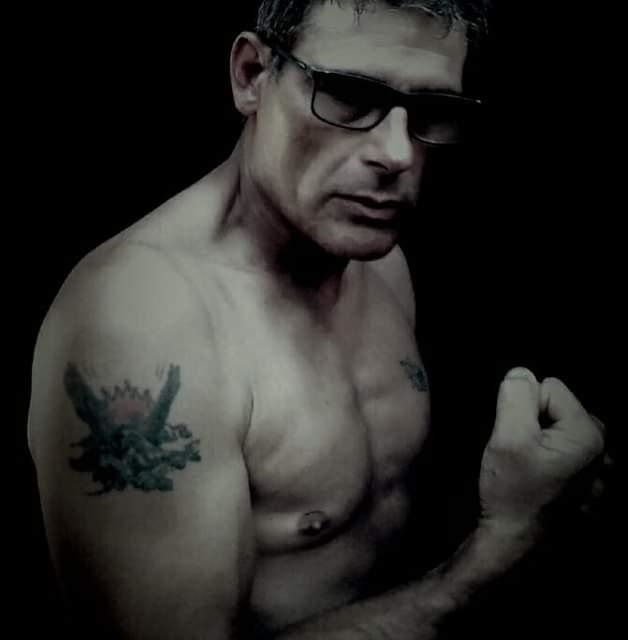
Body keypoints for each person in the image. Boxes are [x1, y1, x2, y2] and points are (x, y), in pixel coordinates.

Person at [27, 1, 609, 638]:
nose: (397, 154)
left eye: (430, 111)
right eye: (348, 96)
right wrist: (497, 555)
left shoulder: (375, 261)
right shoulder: (140, 327)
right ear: (252, 75)